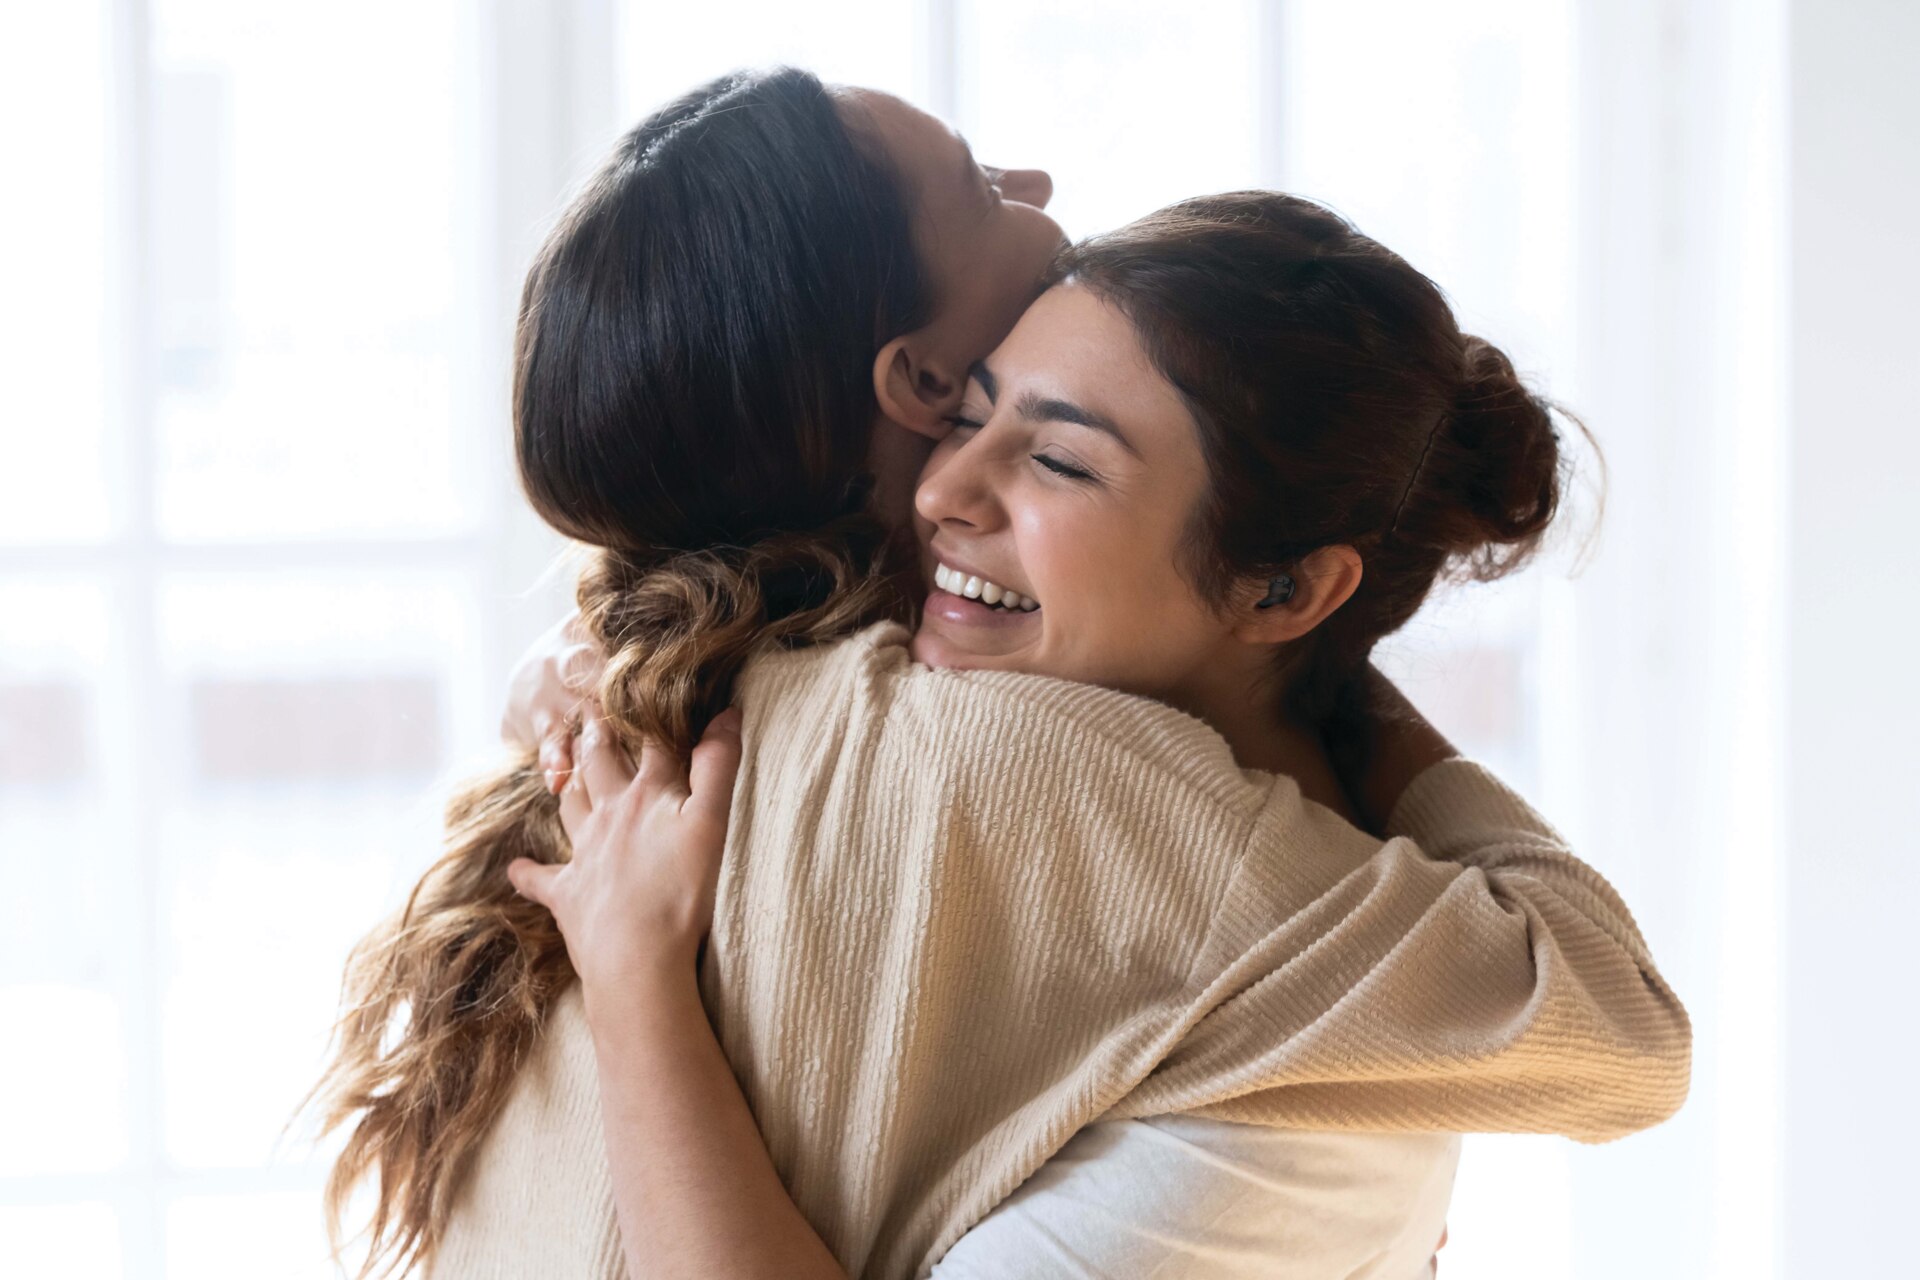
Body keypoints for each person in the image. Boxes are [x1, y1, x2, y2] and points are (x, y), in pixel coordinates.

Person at [302, 68, 1688, 1280]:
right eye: (976, 178)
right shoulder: (1034, 772)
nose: (1037, 185)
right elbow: (1617, 1029)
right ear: (915, 385)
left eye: (1057, 448)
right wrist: (1321, 660)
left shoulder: (647, 702)